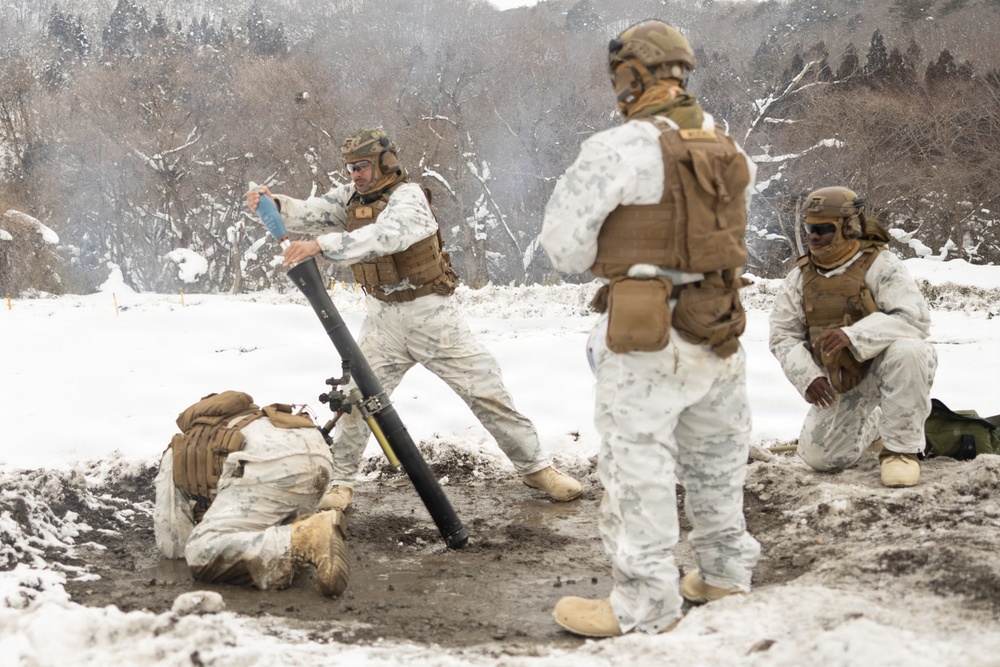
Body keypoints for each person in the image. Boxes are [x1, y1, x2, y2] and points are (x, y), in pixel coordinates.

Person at [540, 20, 760, 637]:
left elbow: (564, 248)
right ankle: (723, 572)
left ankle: (642, 605)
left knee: (638, 468)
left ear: (632, 76)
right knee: (716, 460)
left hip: (646, 334)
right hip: (716, 323)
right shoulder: (726, 145)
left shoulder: (617, 149)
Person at [246, 129, 581, 509]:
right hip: (382, 318)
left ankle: (536, 468)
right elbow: (316, 212)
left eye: (362, 166)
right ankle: (341, 482)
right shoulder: (351, 198)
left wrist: (322, 245)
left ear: (385, 163)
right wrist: (277, 204)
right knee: (356, 399)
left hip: (432, 317)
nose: (355, 174)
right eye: (350, 168)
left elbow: (386, 236)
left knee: (486, 391)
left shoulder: (410, 198)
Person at [769, 186, 937, 488]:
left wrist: (854, 335)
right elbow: (783, 336)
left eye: (822, 229)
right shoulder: (799, 277)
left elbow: (914, 319)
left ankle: (901, 451)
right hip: (842, 380)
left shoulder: (881, 264)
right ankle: (876, 426)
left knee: (910, 350)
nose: (813, 237)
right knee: (820, 458)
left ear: (849, 227)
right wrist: (808, 377)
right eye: (809, 228)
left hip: (888, 368)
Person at [154, 391, 350, 596]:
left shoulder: (179, 450)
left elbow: (174, 545)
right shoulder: (251, 422)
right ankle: (304, 535)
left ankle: (304, 537)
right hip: (317, 450)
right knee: (268, 527)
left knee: (200, 551)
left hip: (273, 465)